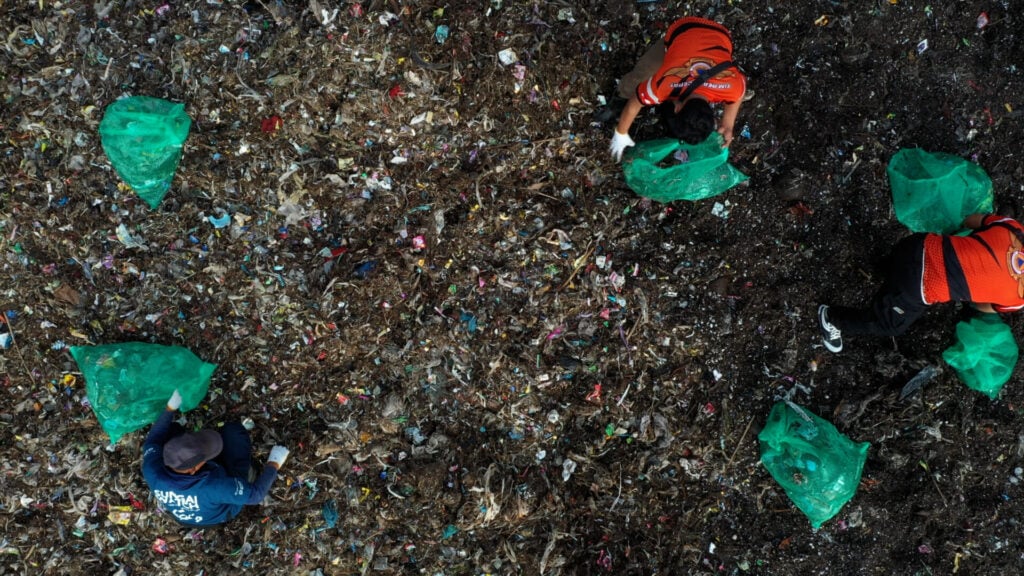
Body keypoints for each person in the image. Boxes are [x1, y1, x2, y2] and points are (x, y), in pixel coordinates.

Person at [818, 213, 1024, 352]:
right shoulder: (1019, 298)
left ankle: (883, 270)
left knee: (896, 265)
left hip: (917, 244)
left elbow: (971, 220)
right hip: (920, 284)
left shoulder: (1015, 229)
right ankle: (832, 317)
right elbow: (982, 305)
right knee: (890, 325)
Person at [141, 389, 291, 526]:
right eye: (204, 458)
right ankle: (244, 469)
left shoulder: (153, 470)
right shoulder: (216, 486)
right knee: (234, 435)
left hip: (185, 513)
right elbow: (255, 495)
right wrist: (274, 463)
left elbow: (153, 441)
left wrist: (170, 408)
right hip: (219, 513)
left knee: (171, 429)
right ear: (193, 469)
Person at [609, 16, 747, 162]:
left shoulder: (731, 87)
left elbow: (740, 94)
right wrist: (621, 133)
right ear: (677, 108)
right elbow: (635, 101)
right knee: (641, 75)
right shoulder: (663, 86)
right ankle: (620, 95)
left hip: (721, 35)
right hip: (684, 28)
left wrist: (728, 124)